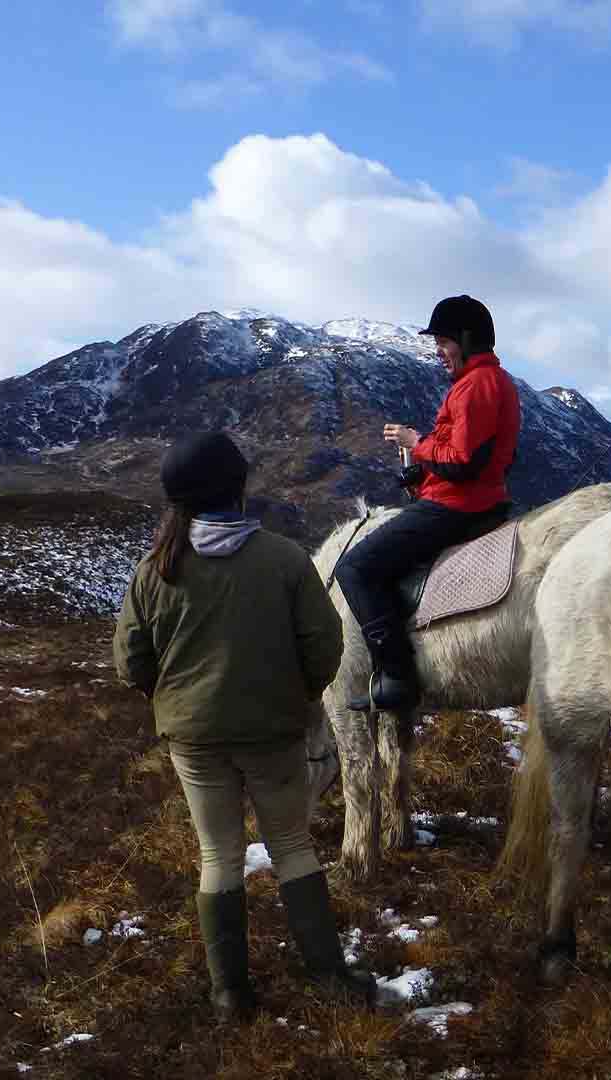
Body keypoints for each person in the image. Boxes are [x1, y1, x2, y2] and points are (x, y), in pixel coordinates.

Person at [112, 430, 375, 1025]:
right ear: (238, 489)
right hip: (275, 731)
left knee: (218, 856)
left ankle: (230, 995)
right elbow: (324, 644)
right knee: (292, 848)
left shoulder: (154, 570)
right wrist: (300, 696)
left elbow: (130, 660)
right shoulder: (284, 560)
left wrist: (174, 700)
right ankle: (330, 976)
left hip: (193, 740)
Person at [336, 294, 522, 715]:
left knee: (355, 568)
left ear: (467, 339)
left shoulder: (476, 386)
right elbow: (475, 455)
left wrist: (416, 444)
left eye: (443, 341)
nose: (438, 351)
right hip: (477, 499)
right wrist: (421, 469)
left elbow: (462, 464)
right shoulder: (491, 382)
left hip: (459, 506)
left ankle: (398, 676)